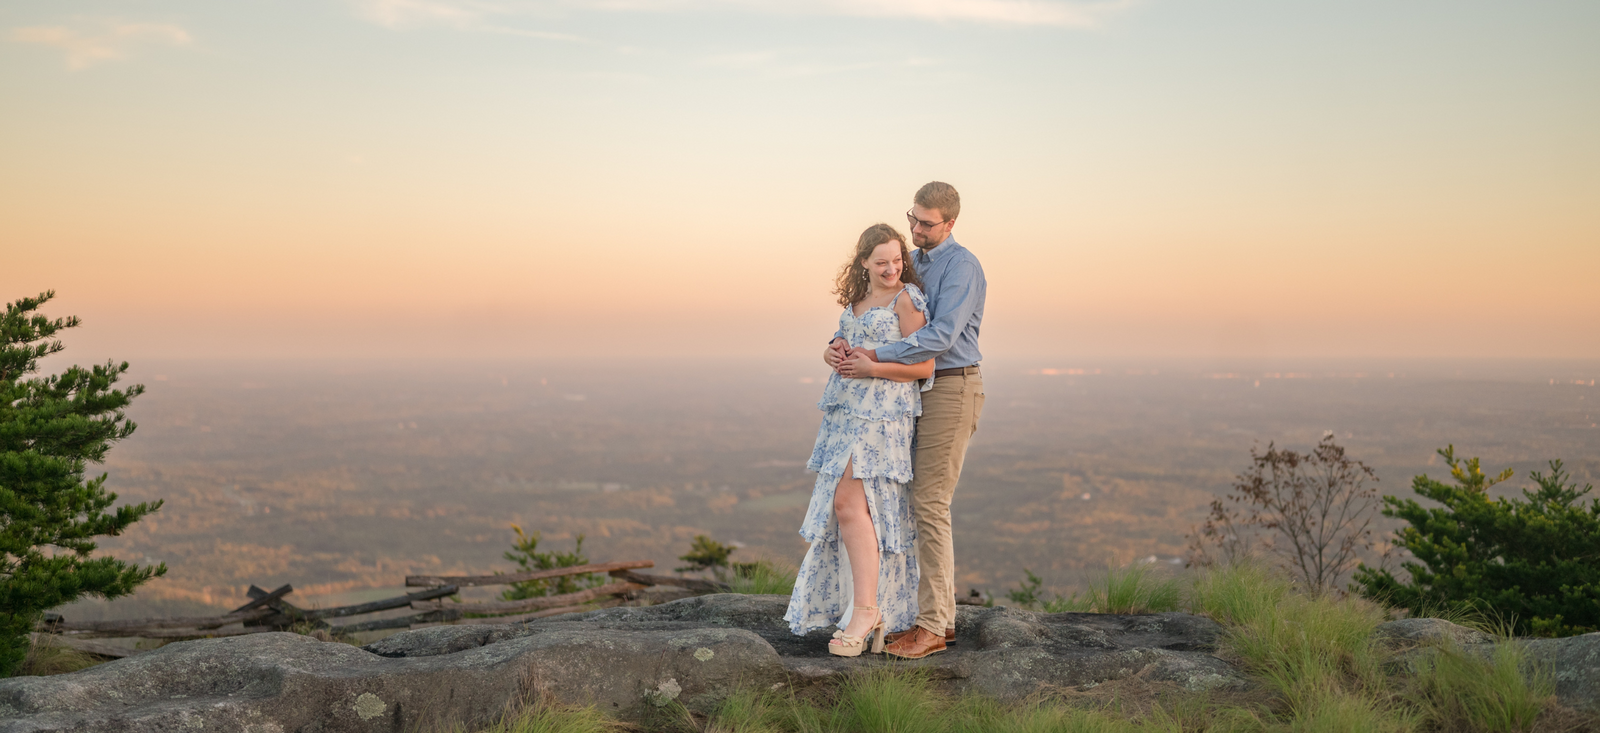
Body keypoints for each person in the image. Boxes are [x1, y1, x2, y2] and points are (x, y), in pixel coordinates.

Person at [824, 181, 986, 659]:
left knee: (930, 502)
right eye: (912, 217)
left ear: (951, 223)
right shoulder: (917, 265)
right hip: (913, 396)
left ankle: (934, 626)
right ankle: (925, 617)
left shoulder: (961, 266)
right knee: (905, 502)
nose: (915, 228)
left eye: (926, 223)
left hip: (952, 387)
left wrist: (875, 356)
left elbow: (939, 337)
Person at [784, 223, 934, 656]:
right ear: (864, 262)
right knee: (853, 508)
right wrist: (830, 351)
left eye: (897, 260)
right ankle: (870, 608)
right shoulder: (857, 301)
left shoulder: (907, 299)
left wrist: (873, 369)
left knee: (848, 504)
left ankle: (866, 610)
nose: (892, 268)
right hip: (847, 411)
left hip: (884, 415)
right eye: (882, 261)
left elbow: (924, 367)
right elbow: (845, 343)